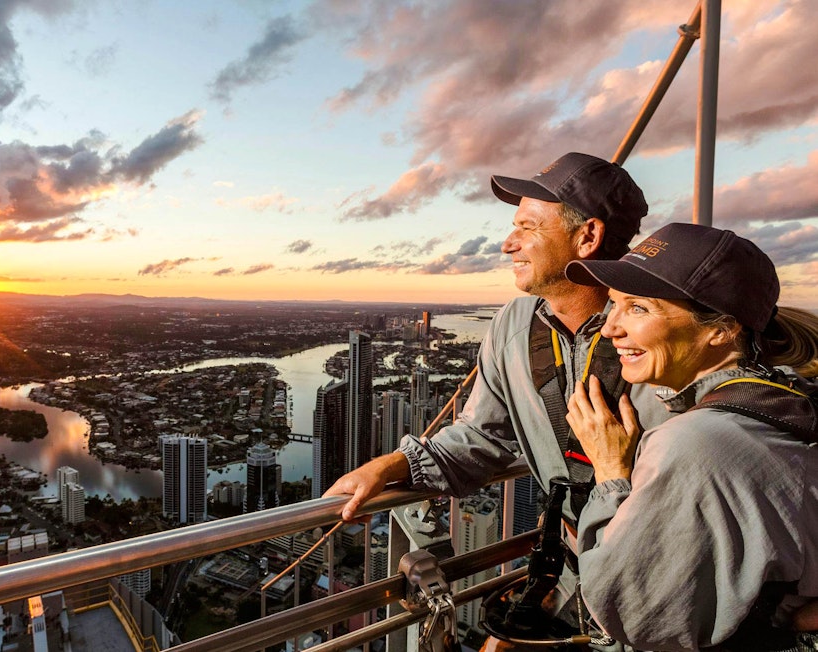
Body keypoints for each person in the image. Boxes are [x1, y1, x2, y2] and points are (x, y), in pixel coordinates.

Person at [325, 152, 672, 650]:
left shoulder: (663, 332)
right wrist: (393, 465)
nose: (508, 242)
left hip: (662, 583)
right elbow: (482, 437)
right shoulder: (514, 325)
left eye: (527, 227)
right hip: (573, 566)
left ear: (587, 237)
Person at [564, 222, 818, 651]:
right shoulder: (791, 399)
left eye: (638, 308)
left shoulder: (692, 443)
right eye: (613, 305)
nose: (609, 329)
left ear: (720, 330)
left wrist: (611, 475)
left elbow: (627, 612)